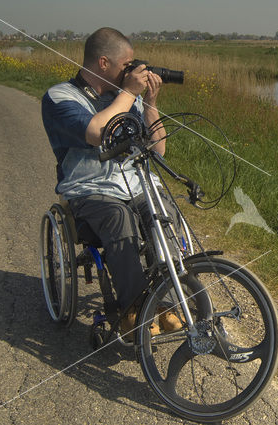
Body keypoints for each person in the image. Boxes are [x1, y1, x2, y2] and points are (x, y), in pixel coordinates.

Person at [41, 27, 181, 337]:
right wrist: (129, 94)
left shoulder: (126, 98)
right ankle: (134, 309)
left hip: (134, 183)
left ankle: (167, 305)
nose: (132, 71)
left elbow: (159, 149)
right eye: (126, 64)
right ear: (103, 63)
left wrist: (150, 102)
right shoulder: (60, 96)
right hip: (90, 190)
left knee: (165, 212)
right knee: (119, 217)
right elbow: (94, 133)